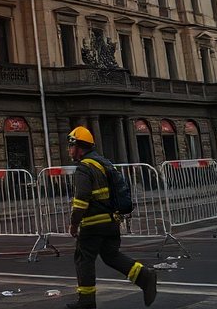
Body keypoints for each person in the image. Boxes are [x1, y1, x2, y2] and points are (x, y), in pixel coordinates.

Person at [65, 126, 157, 309]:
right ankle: (144, 276)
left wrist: (74, 224)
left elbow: (81, 200)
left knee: (84, 258)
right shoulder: (104, 163)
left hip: (93, 224)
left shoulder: (85, 168)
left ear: (78, 147)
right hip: (111, 221)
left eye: (70, 146)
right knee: (110, 256)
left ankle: (86, 301)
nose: (69, 150)